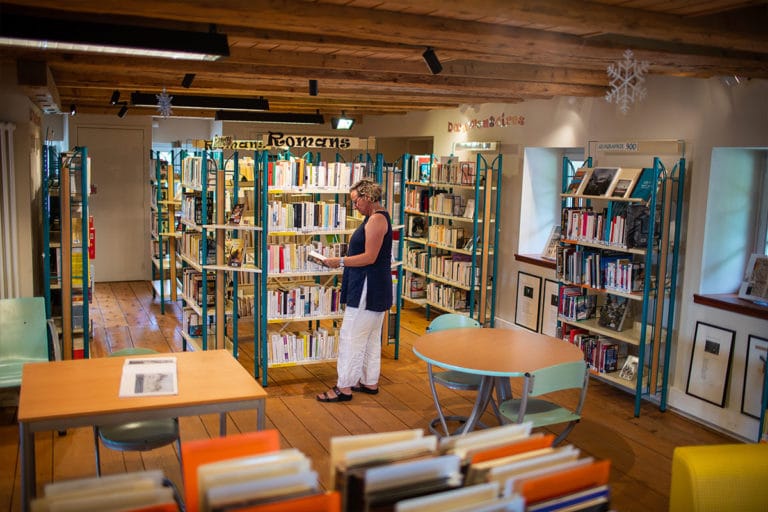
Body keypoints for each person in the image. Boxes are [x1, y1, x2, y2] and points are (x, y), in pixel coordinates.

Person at [316, 178, 392, 402]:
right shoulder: (374, 217)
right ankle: (369, 382)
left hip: (368, 289)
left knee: (351, 337)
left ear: (367, 197)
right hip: (375, 286)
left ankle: (344, 387)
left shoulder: (376, 220)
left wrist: (338, 261)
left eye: (355, 201)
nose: (354, 206)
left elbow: (370, 257)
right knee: (369, 338)